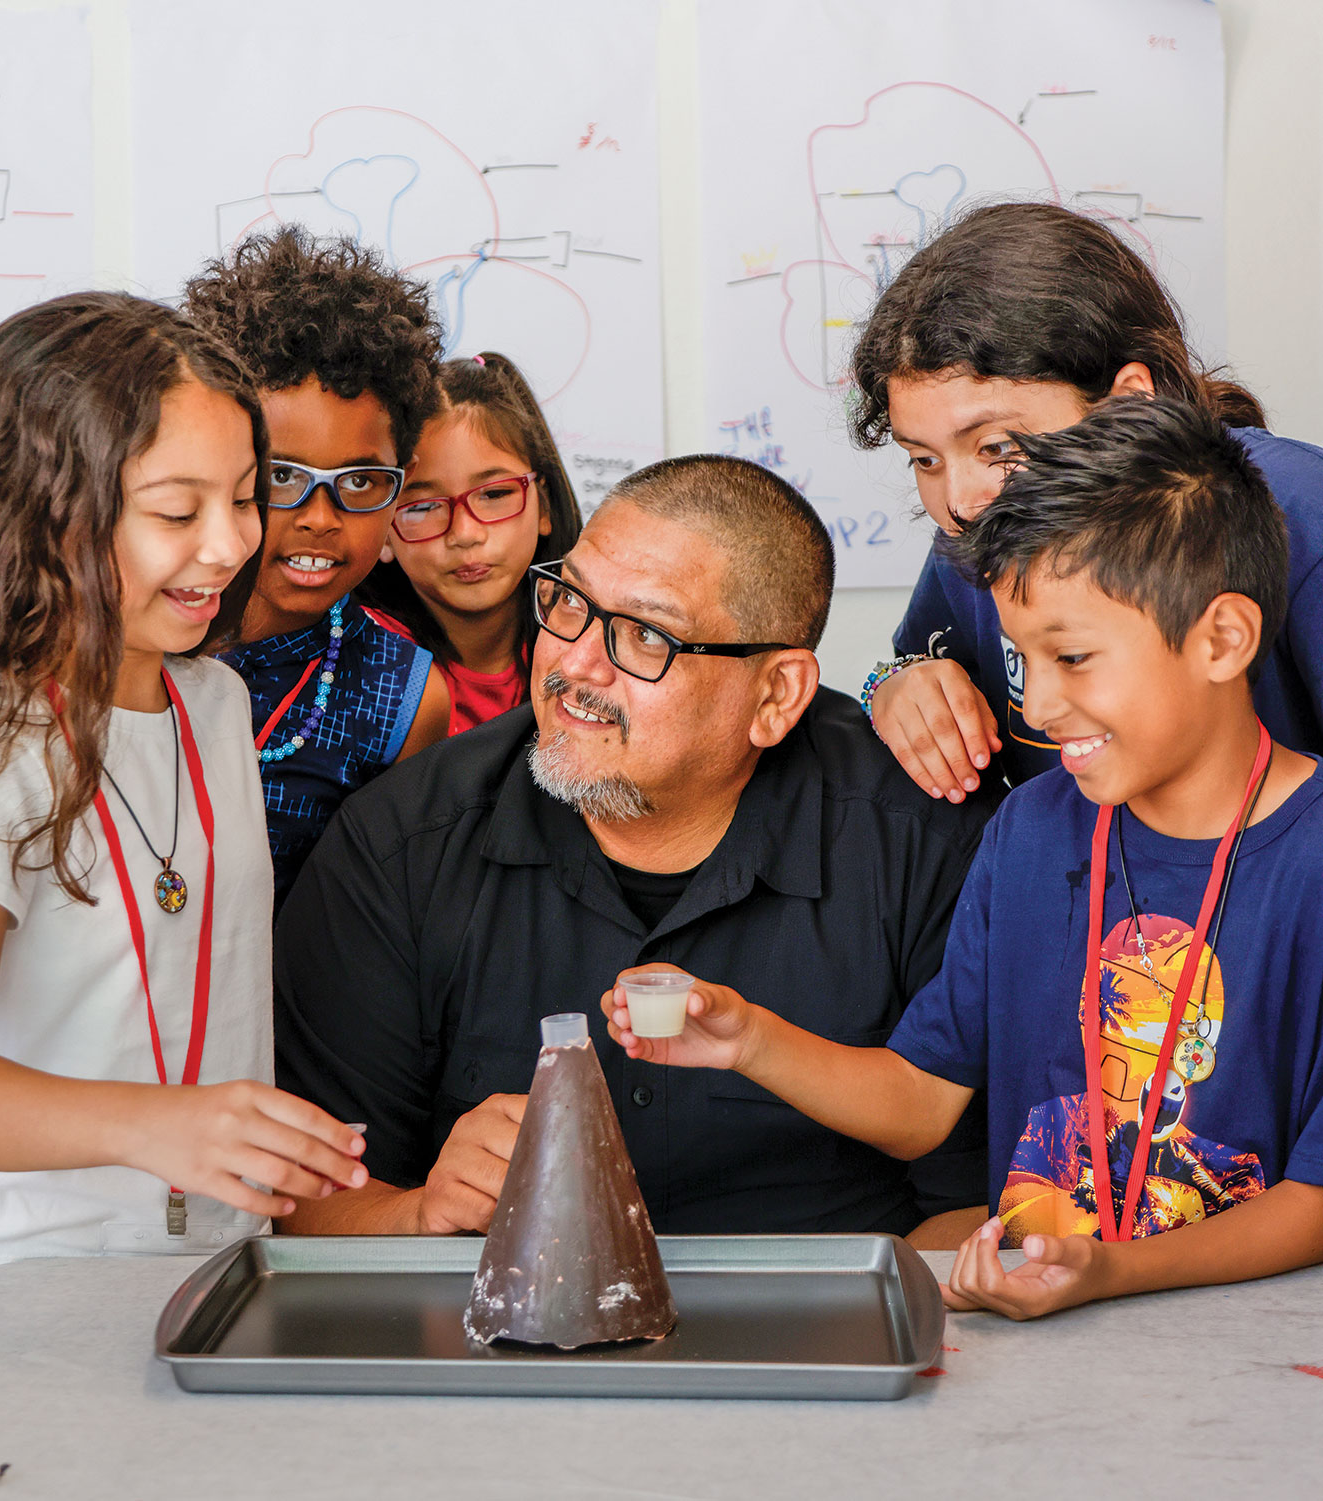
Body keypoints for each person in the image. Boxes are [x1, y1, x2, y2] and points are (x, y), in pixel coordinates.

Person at [607, 399, 1323, 1320]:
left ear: (1222, 639)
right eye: (1025, 662)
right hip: (1040, 1357)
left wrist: (1109, 1271)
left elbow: (1312, 1205)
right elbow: (921, 1097)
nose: (1041, 708)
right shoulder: (1033, 828)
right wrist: (748, 1038)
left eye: (1074, 658)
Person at [274, 455, 996, 1241]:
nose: (573, 664)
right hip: (507, 1342)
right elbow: (308, 1198)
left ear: (776, 694)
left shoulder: (920, 838)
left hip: (821, 1341)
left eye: (645, 636)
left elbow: (976, 1208)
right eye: (569, 603)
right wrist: (419, 1214)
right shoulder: (402, 843)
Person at [0, 293, 366, 1297]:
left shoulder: (214, 701)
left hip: (213, 1264)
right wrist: (159, 1124)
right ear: (45, 514)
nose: (229, 544)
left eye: (247, 496)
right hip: (22, 1281)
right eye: (176, 511)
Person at [852, 201, 1323, 803]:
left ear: (1130, 401)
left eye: (997, 446)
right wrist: (899, 683)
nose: (961, 503)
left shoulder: (1300, 513)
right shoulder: (976, 530)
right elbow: (919, 657)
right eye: (924, 459)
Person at [183, 226, 451, 906]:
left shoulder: (403, 697)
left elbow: (384, 919)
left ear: (403, 483)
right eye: (282, 475)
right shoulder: (140, 638)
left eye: (360, 481)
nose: (322, 516)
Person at [359, 352, 582, 735]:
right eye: (424, 506)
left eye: (494, 495)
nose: (464, 534)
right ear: (383, 530)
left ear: (543, 507)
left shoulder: (588, 653)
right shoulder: (366, 670)